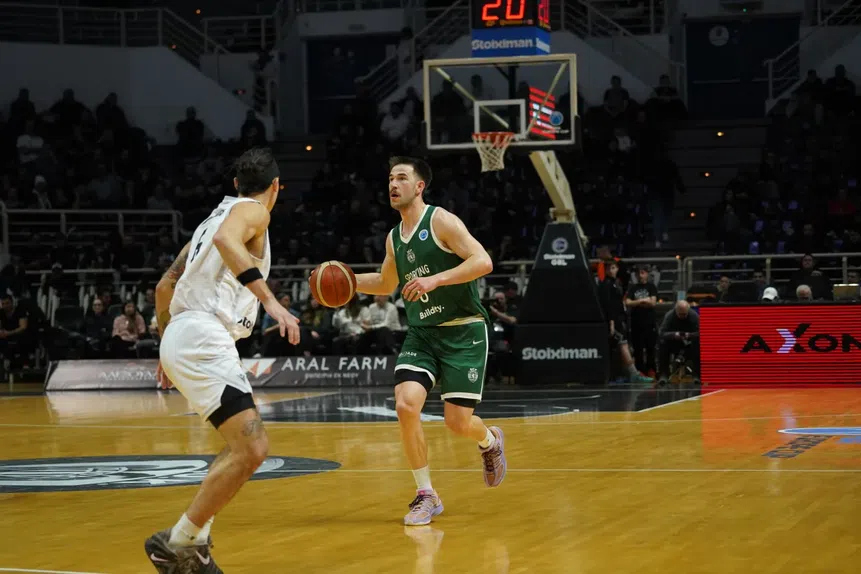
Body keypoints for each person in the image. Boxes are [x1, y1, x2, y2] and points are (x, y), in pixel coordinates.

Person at [146, 148, 300, 573]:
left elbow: (164, 286)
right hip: (203, 334)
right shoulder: (254, 212)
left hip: (185, 334)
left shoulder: (208, 221)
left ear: (235, 183)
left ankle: (192, 542)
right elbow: (227, 241)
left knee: (239, 446)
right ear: (275, 186)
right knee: (254, 448)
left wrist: (166, 343)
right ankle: (178, 542)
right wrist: (271, 301)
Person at [350, 156, 506, 526]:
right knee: (406, 405)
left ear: (419, 186)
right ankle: (426, 494)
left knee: (457, 423)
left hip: (463, 331)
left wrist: (435, 280)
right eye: (391, 178)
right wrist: (347, 280)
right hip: (422, 333)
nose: (393, 184)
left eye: (402, 178)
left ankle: (489, 441)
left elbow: (483, 261)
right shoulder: (393, 238)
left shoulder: (441, 221)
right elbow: (386, 284)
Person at [598, 260, 654, 386]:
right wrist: (611, 322)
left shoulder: (616, 283)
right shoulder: (606, 284)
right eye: (610, 268)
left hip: (620, 318)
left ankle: (624, 374)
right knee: (622, 345)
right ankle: (633, 374)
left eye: (614, 268)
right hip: (613, 320)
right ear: (606, 270)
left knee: (622, 346)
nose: (613, 270)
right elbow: (607, 305)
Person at [625, 265, 658, 375]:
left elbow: (652, 303)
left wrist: (636, 302)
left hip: (649, 322)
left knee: (650, 348)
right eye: (638, 273)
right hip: (636, 322)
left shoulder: (651, 287)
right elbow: (627, 302)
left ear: (647, 274)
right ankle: (640, 371)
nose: (640, 275)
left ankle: (651, 369)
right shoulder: (633, 288)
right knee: (638, 348)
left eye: (642, 273)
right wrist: (643, 301)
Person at [657, 301, 700, 385]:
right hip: (674, 343)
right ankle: (664, 374)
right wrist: (674, 334)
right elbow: (661, 333)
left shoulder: (694, 316)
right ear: (676, 310)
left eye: (684, 314)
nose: (682, 316)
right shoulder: (669, 316)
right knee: (662, 343)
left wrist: (689, 335)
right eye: (680, 314)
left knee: (697, 344)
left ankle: (697, 375)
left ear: (688, 310)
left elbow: (702, 332)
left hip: (689, 343)